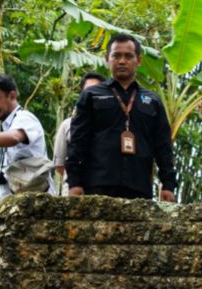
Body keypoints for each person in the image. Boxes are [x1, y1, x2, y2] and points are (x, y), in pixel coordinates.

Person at [66, 34, 177, 201]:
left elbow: (163, 146)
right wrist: (74, 183)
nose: (122, 61)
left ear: (138, 60)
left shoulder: (152, 101)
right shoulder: (91, 95)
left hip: (139, 187)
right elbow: (77, 141)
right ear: (107, 59)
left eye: (128, 56)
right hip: (97, 183)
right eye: (116, 56)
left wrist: (168, 185)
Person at [53, 71, 105, 193]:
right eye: (88, 91)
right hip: (73, 190)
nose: (92, 95)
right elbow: (60, 166)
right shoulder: (67, 125)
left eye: (97, 90)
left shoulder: (111, 127)